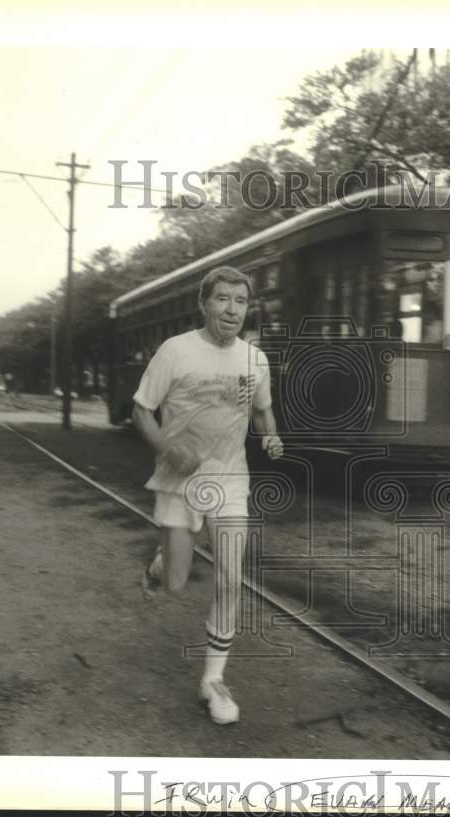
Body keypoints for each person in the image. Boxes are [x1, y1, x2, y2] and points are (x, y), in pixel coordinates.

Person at [131, 265, 283, 726]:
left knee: (230, 579)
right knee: (177, 582)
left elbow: (262, 412)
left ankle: (213, 681)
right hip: (178, 479)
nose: (232, 309)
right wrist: (168, 450)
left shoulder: (255, 360)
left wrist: (272, 437)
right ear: (204, 304)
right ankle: (160, 566)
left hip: (229, 480)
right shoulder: (175, 352)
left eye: (240, 301)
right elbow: (141, 411)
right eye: (223, 299)